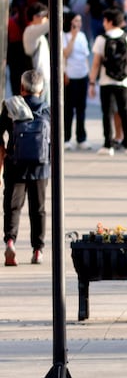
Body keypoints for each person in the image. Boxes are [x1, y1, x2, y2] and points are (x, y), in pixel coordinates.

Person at [2, 70, 51, 266]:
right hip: (40, 166)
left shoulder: (10, 107)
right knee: (38, 209)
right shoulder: (48, 110)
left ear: (22, 88)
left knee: (12, 207)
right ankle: (37, 250)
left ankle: (11, 241)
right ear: (42, 89)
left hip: (15, 164)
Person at [89, 8, 127, 157]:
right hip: (124, 82)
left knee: (107, 113)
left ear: (110, 22)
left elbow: (96, 64)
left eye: (105, 20)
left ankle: (107, 144)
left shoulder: (101, 39)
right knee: (125, 112)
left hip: (106, 81)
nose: (103, 23)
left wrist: (92, 82)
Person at [62, 13, 92, 150]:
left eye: (80, 21)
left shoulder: (83, 36)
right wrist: (73, 37)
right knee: (69, 110)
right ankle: (66, 138)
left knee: (81, 109)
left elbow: (86, 56)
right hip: (70, 76)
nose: (78, 24)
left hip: (82, 75)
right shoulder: (63, 36)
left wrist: (90, 74)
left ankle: (81, 137)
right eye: (76, 21)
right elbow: (65, 54)